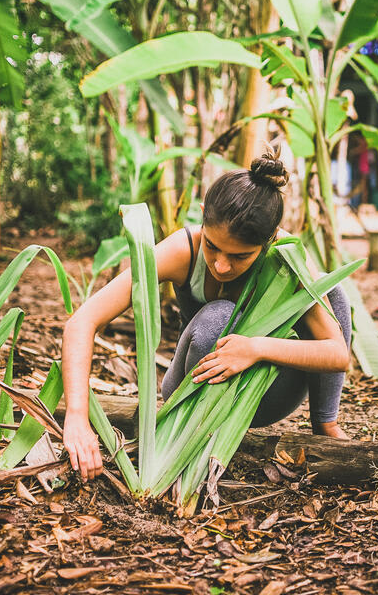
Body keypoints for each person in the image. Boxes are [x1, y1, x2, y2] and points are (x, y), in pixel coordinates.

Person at [61, 152, 353, 481]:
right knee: (219, 316)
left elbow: (338, 353)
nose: (221, 265)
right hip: (193, 386)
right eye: (213, 247)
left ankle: (325, 424)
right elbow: (82, 322)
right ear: (202, 218)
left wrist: (255, 347)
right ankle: (192, 438)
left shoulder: (287, 256)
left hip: (264, 393)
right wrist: (76, 416)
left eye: (240, 256)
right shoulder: (183, 248)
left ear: (270, 238)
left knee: (334, 294)